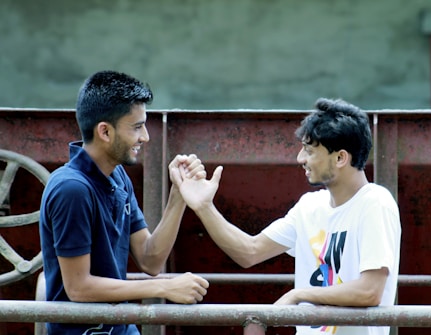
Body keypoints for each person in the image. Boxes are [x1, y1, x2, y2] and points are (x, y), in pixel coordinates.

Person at [172, 98, 401, 335]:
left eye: (310, 151)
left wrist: (298, 294)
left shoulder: (375, 202)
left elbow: (370, 290)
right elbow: (249, 251)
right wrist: (203, 207)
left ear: (341, 158)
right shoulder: (309, 206)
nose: (300, 158)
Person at [39, 70, 209, 335]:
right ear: (105, 131)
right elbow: (78, 287)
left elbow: (150, 260)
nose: (146, 137)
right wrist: (163, 287)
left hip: (119, 327)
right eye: (137, 127)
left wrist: (178, 194)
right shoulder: (71, 189)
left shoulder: (117, 176)